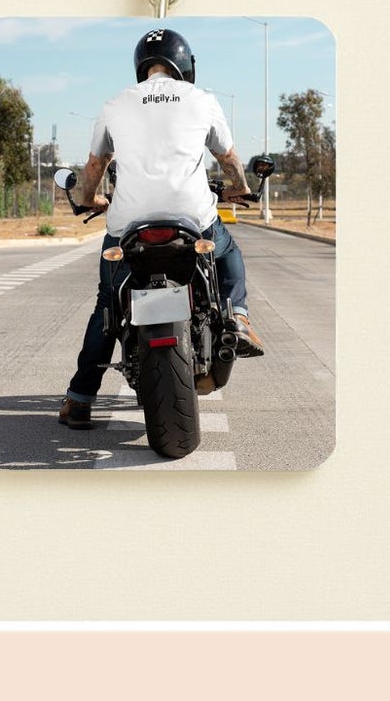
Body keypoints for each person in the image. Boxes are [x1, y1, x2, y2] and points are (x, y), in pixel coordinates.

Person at [59, 28, 265, 430]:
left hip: (127, 223)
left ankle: (81, 399)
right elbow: (228, 157)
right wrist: (240, 189)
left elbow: (94, 169)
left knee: (108, 304)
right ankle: (238, 317)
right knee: (226, 252)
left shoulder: (116, 103)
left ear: (141, 67)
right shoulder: (202, 99)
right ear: (185, 65)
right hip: (192, 218)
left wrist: (88, 199)